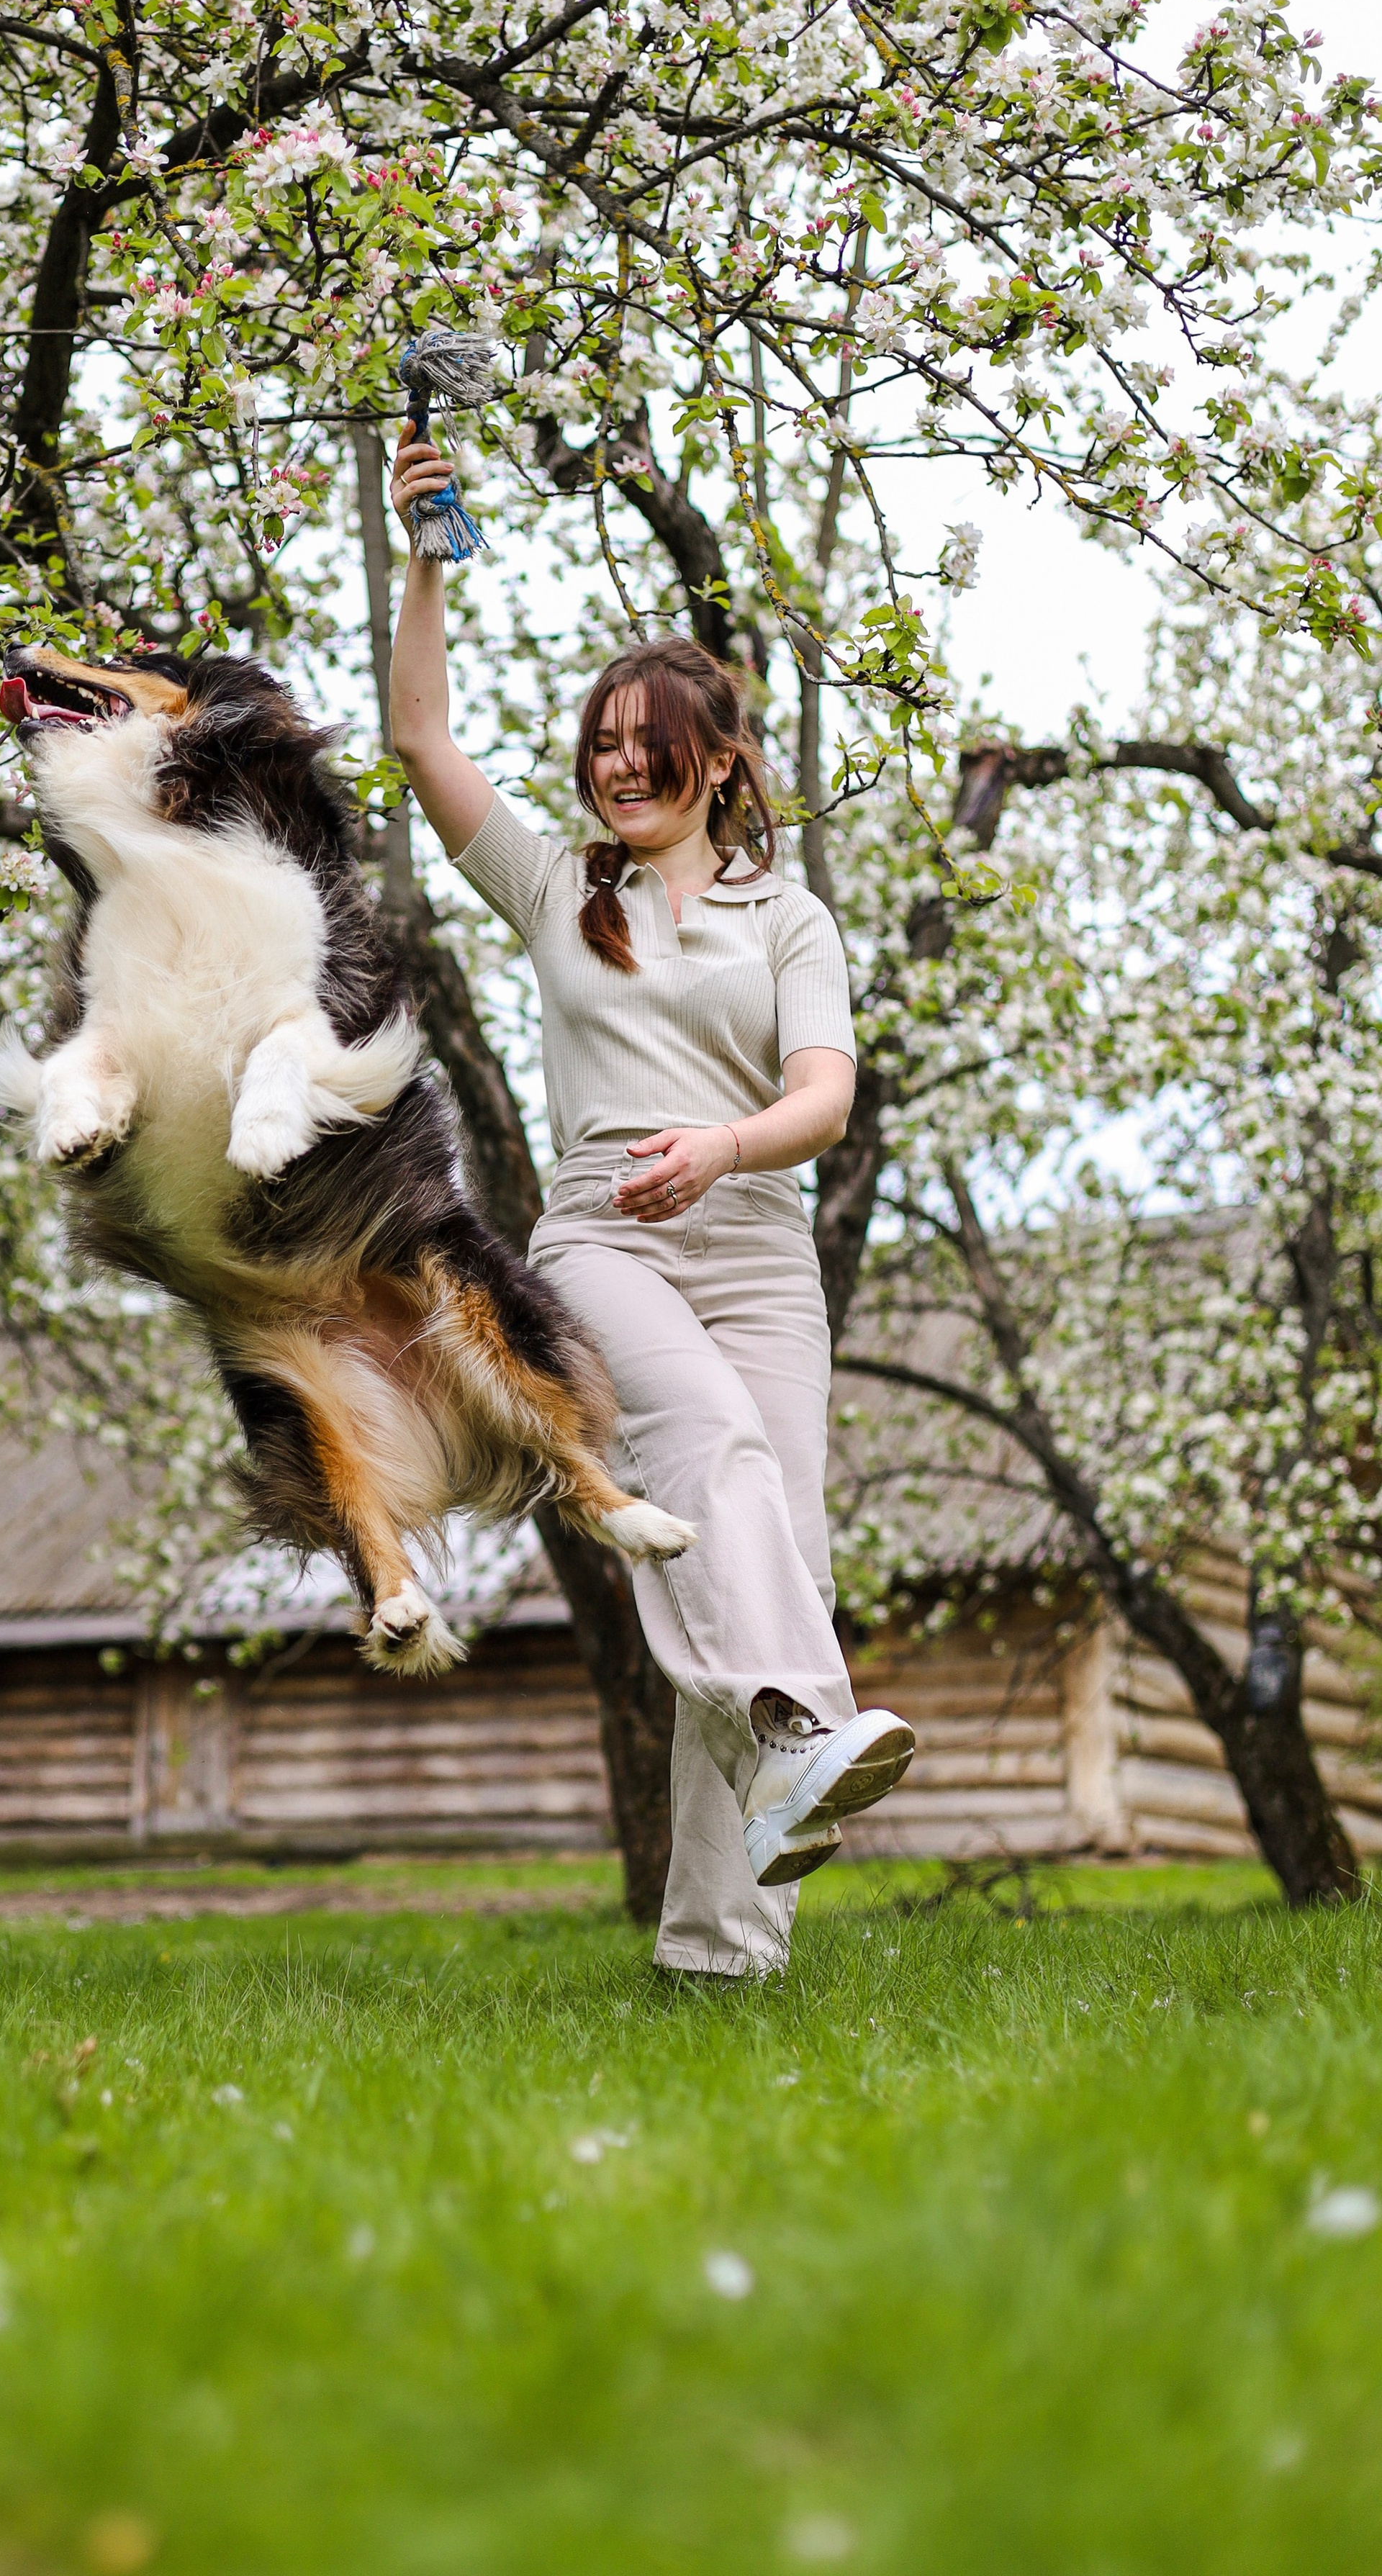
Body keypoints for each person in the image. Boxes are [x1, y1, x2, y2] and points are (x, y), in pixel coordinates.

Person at [387, 425, 916, 1976]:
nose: (617, 761)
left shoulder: (785, 913)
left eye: (648, 740)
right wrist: (426, 548)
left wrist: (727, 1149)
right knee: (712, 1458)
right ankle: (808, 1732)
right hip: (599, 1237)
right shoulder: (561, 891)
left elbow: (822, 1095)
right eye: (599, 740)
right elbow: (419, 740)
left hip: (753, 1248)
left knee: (767, 1560)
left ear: (719, 760)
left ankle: (717, 1958)